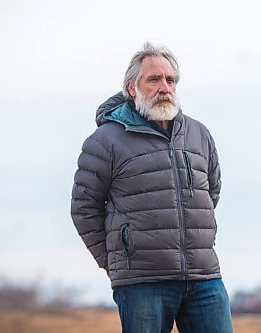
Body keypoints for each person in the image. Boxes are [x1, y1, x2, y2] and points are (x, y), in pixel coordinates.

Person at [71, 42, 233, 333]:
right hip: (142, 282)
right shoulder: (105, 140)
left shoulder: (199, 134)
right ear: (132, 88)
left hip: (204, 277)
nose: (164, 87)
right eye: (154, 79)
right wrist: (117, 261)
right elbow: (84, 208)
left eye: (170, 80)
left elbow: (212, 193)